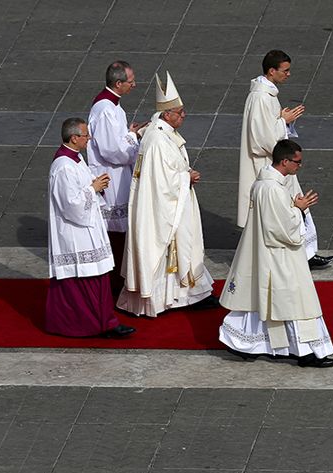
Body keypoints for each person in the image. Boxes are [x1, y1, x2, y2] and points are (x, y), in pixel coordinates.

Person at [220, 139, 333, 368]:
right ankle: (305, 353)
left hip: (269, 254)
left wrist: (293, 209)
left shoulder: (266, 184)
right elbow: (281, 229)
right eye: (297, 162)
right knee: (295, 302)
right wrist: (299, 210)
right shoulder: (273, 189)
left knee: (265, 303)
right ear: (285, 161)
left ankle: (244, 344)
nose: (299, 166)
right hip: (280, 256)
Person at [117, 71, 219, 317]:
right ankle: (163, 299)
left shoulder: (162, 131)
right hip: (163, 208)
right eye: (180, 113)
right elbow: (161, 182)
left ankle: (189, 296)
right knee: (169, 249)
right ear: (166, 114)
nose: (184, 116)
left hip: (174, 202)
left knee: (182, 247)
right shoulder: (157, 140)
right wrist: (187, 177)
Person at [237, 49, 333, 270]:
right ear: (272, 71)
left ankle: (306, 252)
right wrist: (283, 121)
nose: (288, 74)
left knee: (295, 203)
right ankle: (297, 255)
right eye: (285, 70)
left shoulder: (267, 94)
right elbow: (262, 137)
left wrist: (282, 120)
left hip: (279, 163)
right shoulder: (261, 97)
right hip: (271, 164)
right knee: (284, 208)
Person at [45, 117, 136, 338]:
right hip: (75, 231)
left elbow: (81, 189)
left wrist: (97, 185)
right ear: (74, 138)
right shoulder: (63, 166)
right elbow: (70, 205)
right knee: (84, 278)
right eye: (86, 135)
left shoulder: (76, 159)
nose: (89, 139)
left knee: (97, 275)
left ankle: (104, 321)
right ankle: (91, 324)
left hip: (87, 227)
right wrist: (93, 188)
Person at [86, 60, 149, 296]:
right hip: (111, 178)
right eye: (131, 81)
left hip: (116, 176)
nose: (135, 85)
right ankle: (113, 288)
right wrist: (134, 136)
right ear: (118, 82)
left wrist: (128, 132)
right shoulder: (105, 109)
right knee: (115, 234)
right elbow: (115, 151)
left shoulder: (112, 107)